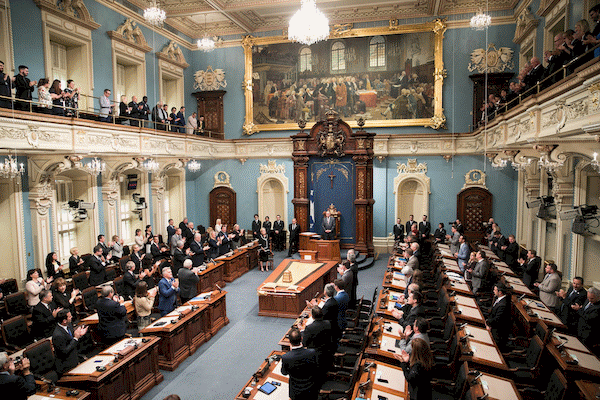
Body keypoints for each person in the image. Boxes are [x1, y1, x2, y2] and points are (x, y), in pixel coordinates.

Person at [280, 328, 319, 400]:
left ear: (289, 341)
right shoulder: (312, 352)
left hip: (296, 391)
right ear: (301, 338)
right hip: (312, 388)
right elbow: (316, 367)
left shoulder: (286, 357)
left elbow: (284, 372)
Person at [52, 309, 88, 375]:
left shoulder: (69, 325)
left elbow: (72, 341)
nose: (71, 317)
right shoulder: (58, 335)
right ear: (64, 321)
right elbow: (64, 351)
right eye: (69, 316)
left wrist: (79, 335)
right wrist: (76, 338)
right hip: (66, 365)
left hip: (74, 358)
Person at [301, 306, 334, 376]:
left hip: (315, 354)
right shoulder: (328, 323)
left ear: (312, 317)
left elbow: (304, 344)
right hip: (327, 350)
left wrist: (302, 330)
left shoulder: (309, 328)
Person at [573, 287, 600, 351]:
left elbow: (588, 317)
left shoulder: (598, 307)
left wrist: (578, 310)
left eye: (592, 298)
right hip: (580, 329)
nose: (589, 300)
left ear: (598, 297)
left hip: (588, 334)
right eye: (588, 297)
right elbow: (584, 310)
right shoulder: (588, 300)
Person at [486, 283, 511, 351]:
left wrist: (488, 323)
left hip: (498, 333)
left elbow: (497, 320)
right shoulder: (500, 299)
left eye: (495, 290)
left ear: (500, 292)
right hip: (493, 325)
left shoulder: (503, 304)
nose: (493, 291)